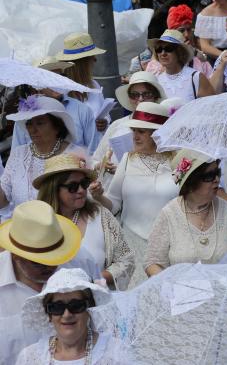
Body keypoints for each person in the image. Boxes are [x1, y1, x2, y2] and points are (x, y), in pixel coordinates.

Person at [93, 102, 176, 287]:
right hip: (132, 243)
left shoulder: (177, 162)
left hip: (168, 244)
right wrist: (99, 196)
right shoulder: (127, 160)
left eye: (142, 131)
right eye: (134, 131)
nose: (135, 136)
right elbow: (114, 204)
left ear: (157, 133)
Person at [33, 153, 134, 290]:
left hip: (99, 301)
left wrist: (94, 281)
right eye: (72, 186)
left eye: (84, 184)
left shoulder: (100, 215)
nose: (81, 190)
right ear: (54, 189)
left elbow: (125, 260)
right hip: (57, 308)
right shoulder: (37, 224)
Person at [0, 200, 81, 362]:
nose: (50, 266)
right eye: (38, 262)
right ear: (16, 256)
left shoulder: (76, 271)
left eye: (54, 257)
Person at [144, 150, 227, 276]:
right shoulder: (169, 214)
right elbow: (152, 262)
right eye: (210, 176)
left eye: (217, 173)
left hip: (224, 294)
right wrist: (169, 285)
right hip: (182, 294)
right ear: (191, 183)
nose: (217, 179)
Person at [16, 268, 128, 365]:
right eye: (57, 307)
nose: (67, 314)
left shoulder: (115, 353)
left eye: (76, 305)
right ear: (49, 314)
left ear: (89, 309)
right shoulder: (29, 358)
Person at [1, 97, 85, 220]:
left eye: (40, 123)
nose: (32, 130)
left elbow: (83, 201)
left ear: (57, 126)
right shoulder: (18, 154)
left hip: (63, 231)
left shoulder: (76, 155)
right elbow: (3, 201)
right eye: (29, 123)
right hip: (21, 230)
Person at [93, 71, 165, 176]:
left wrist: (125, 171)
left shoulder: (163, 128)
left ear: (156, 96)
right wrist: (101, 165)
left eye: (147, 94)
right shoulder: (116, 126)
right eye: (134, 95)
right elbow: (95, 159)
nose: (140, 99)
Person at [55, 33, 109, 144]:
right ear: (82, 64)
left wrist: (104, 122)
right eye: (92, 57)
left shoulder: (94, 85)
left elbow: (104, 113)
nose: (95, 60)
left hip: (96, 150)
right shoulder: (58, 91)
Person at [141, 4, 213, 77]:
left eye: (189, 29)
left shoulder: (200, 59)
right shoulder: (158, 61)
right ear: (171, 32)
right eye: (181, 30)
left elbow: (211, 85)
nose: (186, 35)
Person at [149, 29, 214, 101]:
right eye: (159, 49)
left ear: (179, 52)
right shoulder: (157, 81)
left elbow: (210, 107)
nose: (163, 53)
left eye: (168, 48)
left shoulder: (196, 77)